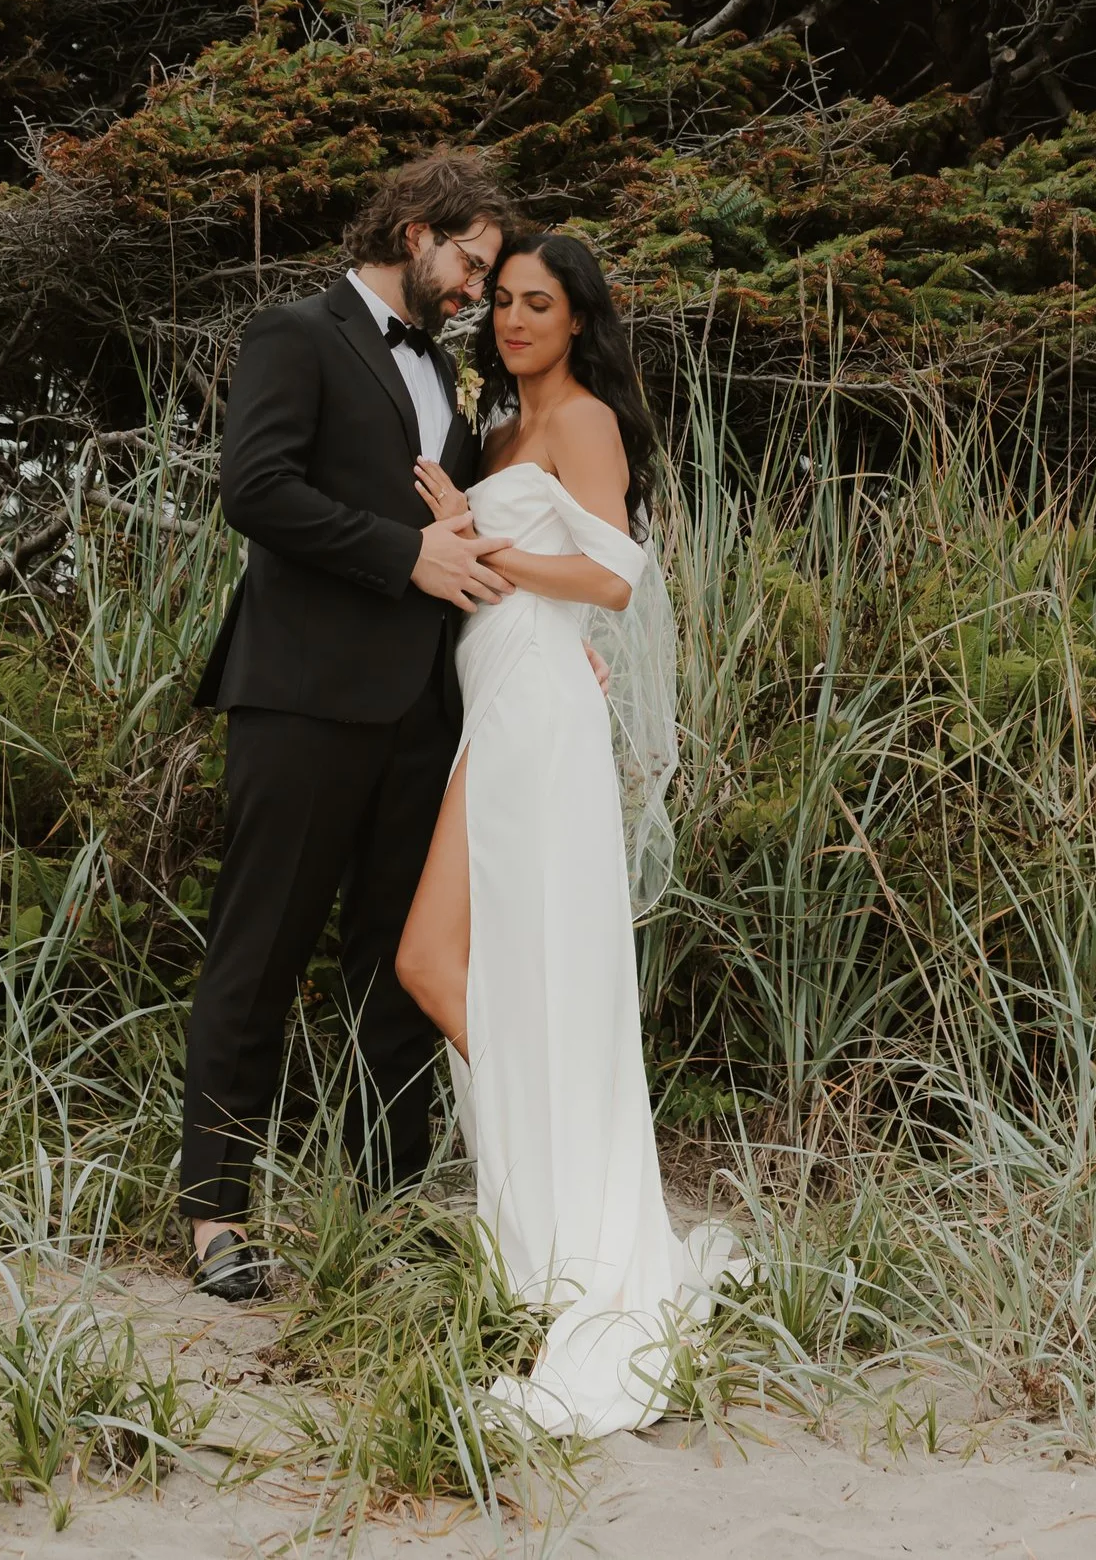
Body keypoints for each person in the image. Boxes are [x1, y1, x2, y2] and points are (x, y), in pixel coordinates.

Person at [396, 227, 732, 1437]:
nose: (516, 321)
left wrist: (485, 543)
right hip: (494, 698)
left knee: (436, 960)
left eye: (540, 304)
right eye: (507, 305)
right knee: (457, 968)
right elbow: (495, 561)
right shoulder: (492, 431)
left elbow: (615, 579)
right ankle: (547, 1217)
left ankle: (568, 1234)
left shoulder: (583, 419)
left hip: (538, 705)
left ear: (578, 317)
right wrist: (456, 511)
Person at [179, 148, 516, 1303]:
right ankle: (219, 1214)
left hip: (425, 707)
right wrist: (402, 552)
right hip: (301, 697)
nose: (474, 291)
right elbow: (253, 488)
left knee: (399, 960)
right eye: (468, 263)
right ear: (416, 228)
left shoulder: (454, 375)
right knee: (260, 946)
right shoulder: (296, 333)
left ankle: (389, 1205)